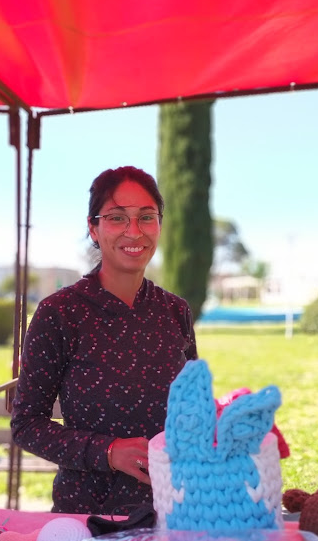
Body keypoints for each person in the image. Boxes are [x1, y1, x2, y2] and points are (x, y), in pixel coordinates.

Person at [11, 166, 198, 514]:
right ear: (93, 228)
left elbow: (192, 406)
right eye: (116, 218)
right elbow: (26, 424)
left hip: (176, 512)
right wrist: (108, 452)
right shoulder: (60, 313)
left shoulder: (175, 311)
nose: (134, 231)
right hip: (89, 517)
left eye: (146, 217)